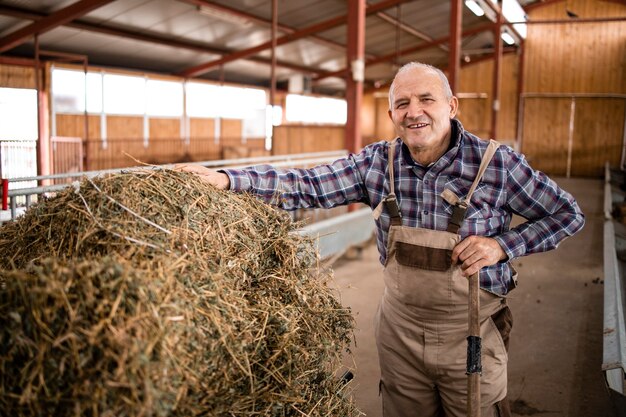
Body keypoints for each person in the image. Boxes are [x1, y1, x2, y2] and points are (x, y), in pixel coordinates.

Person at [177, 62, 585, 417]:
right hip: (399, 332)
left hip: (470, 333)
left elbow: (568, 214)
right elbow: (306, 184)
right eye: (402, 104)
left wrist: (501, 246)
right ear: (391, 112)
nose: (415, 112)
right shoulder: (378, 162)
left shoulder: (497, 164)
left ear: (452, 105)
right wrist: (228, 180)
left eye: (426, 99)